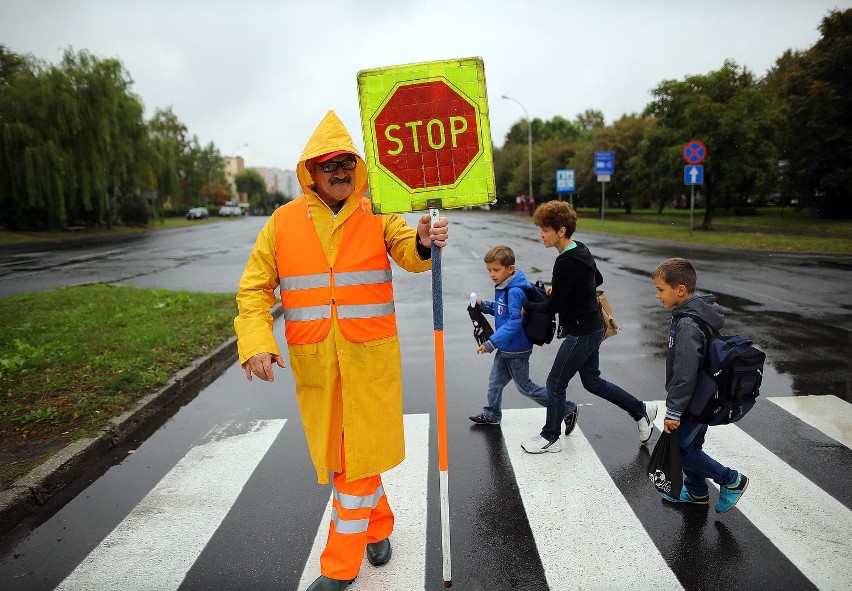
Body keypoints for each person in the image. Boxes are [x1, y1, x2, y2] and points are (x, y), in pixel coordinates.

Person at [234, 110, 449, 591]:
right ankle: (379, 525)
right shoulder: (282, 223)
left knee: (354, 461)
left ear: (358, 166)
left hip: (370, 363)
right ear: (310, 172)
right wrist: (256, 344)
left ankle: (338, 569)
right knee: (345, 459)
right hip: (315, 366)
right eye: (328, 164)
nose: (340, 171)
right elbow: (253, 292)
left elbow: (410, 253)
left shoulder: (377, 214)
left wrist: (422, 238)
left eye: (347, 162)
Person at [520, 201, 657, 454]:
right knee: (592, 382)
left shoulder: (564, 263)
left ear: (561, 231)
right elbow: (597, 279)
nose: (541, 234)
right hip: (592, 327)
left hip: (582, 332)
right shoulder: (580, 249)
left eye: (545, 230)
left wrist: (528, 306)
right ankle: (641, 410)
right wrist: (563, 289)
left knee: (555, 383)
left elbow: (553, 307)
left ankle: (550, 436)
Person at [652, 257, 749, 512]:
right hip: (704, 396)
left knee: (681, 451)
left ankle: (731, 480)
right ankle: (696, 492)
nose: (657, 295)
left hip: (693, 400)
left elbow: (685, 373)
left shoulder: (687, 323)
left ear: (680, 289)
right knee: (692, 446)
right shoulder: (698, 314)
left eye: (661, 290)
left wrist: (673, 411)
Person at [468, 245, 577, 433]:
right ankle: (492, 414)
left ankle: (567, 408)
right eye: (489, 270)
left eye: (496, 270)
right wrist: (484, 305)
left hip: (517, 348)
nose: (492, 274)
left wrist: (491, 343)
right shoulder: (503, 287)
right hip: (506, 346)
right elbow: (502, 310)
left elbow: (514, 322)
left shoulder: (515, 291)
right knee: (495, 382)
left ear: (510, 269)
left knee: (526, 387)